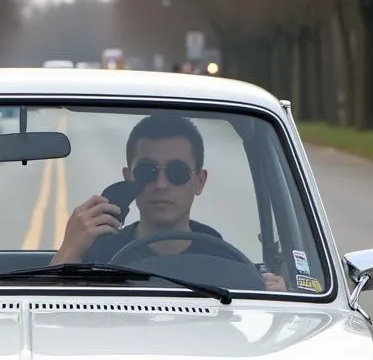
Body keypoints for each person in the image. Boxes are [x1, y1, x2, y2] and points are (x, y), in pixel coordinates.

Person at [52, 112, 286, 291]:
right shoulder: (101, 254)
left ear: (200, 181)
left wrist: (276, 295)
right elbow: (50, 318)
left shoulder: (224, 261)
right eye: (147, 171)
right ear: (128, 177)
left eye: (177, 172)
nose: (161, 184)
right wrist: (70, 247)